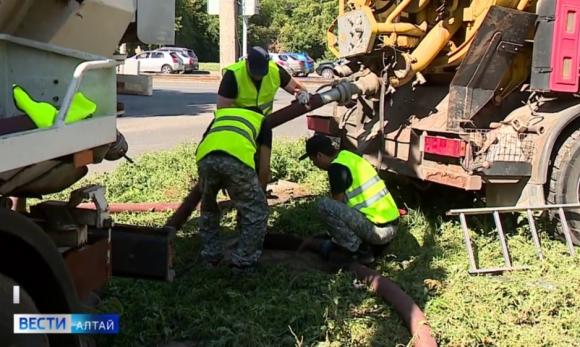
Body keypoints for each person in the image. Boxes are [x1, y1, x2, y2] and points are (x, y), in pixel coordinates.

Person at [299, 134, 400, 263]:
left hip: (379, 232)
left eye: (313, 161)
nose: (315, 165)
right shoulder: (349, 156)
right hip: (391, 227)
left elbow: (337, 207)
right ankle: (366, 245)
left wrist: (334, 239)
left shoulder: (336, 168)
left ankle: (358, 250)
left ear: (319, 155)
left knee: (324, 206)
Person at [195, 106, 273, 271]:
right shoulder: (262, 121)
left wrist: (223, 179)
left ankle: (211, 257)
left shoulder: (224, 115)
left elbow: (205, 141)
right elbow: (264, 168)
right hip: (237, 159)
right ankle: (243, 263)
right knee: (257, 212)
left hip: (205, 158)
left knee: (208, 209)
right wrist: (261, 194)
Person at [217, 46, 310, 115]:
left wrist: (301, 93)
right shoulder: (233, 75)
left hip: (263, 125)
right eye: (255, 72)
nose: (258, 76)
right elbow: (222, 110)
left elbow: (298, 88)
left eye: (261, 72)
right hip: (240, 127)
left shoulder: (275, 71)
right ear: (246, 62)